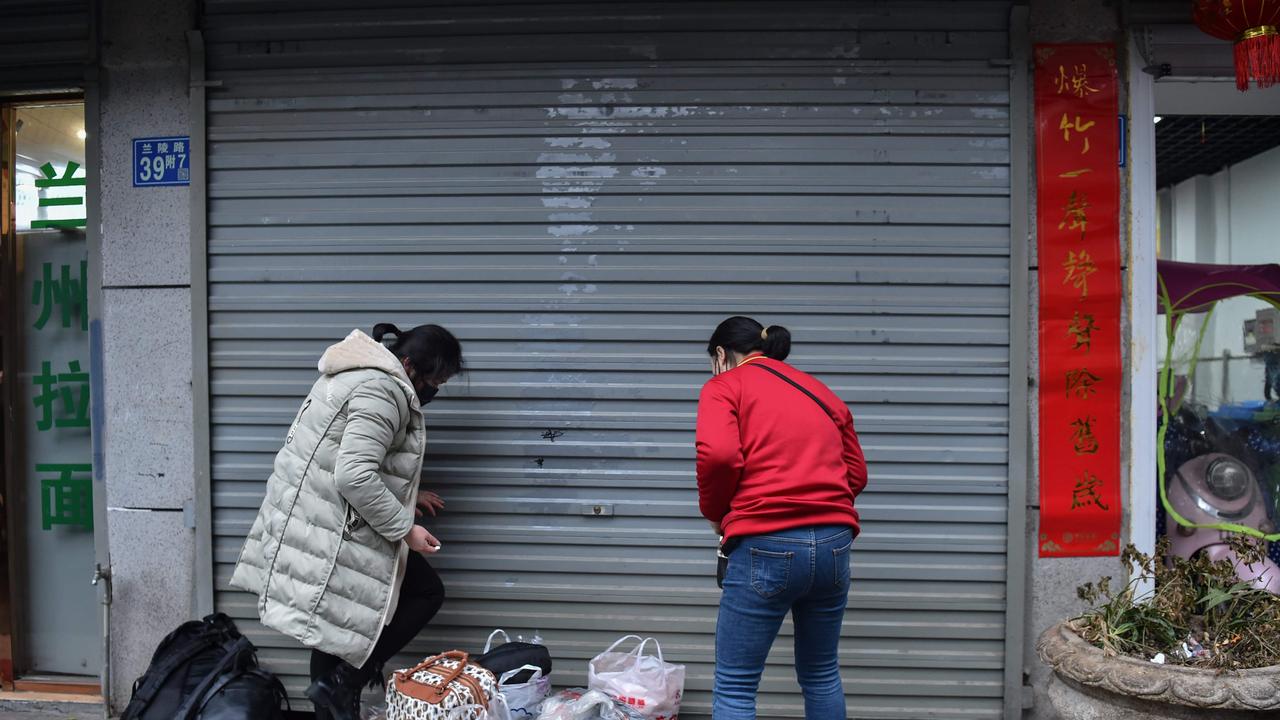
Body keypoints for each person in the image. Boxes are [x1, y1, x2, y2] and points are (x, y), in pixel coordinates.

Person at [229, 323, 464, 720]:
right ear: (408, 365)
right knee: (424, 593)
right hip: (333, 525)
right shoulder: (383, 391)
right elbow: (353, 474)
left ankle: (338, 693)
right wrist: (405, 528)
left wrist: (409, 495)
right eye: (433, 380)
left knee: (334, 630)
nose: (434, 390)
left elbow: (343, 455)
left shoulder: (356, 374)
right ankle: (345, 684)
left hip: (317, 517)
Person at [696, 316, 868, 720]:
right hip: (834, 544)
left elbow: (719, 456)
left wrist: (717, 514)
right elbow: (856, 473)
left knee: (736, 684)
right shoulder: (820, 391)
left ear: (721, 354)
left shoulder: (724, 386)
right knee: (822, 673)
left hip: (764, 542)